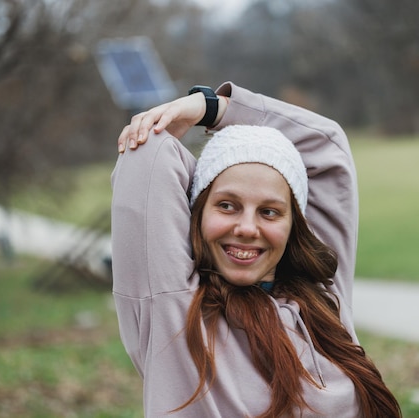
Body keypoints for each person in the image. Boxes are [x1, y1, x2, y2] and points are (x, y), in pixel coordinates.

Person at [111, 82, 401, 417]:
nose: (247, 228)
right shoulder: (176, 313)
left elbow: (327, 143)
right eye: (227, 206)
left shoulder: (323, 296)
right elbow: (147, 149)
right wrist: (197, 113)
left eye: (269, 211)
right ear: (197, 213)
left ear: (293, 226)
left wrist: (214, 108)